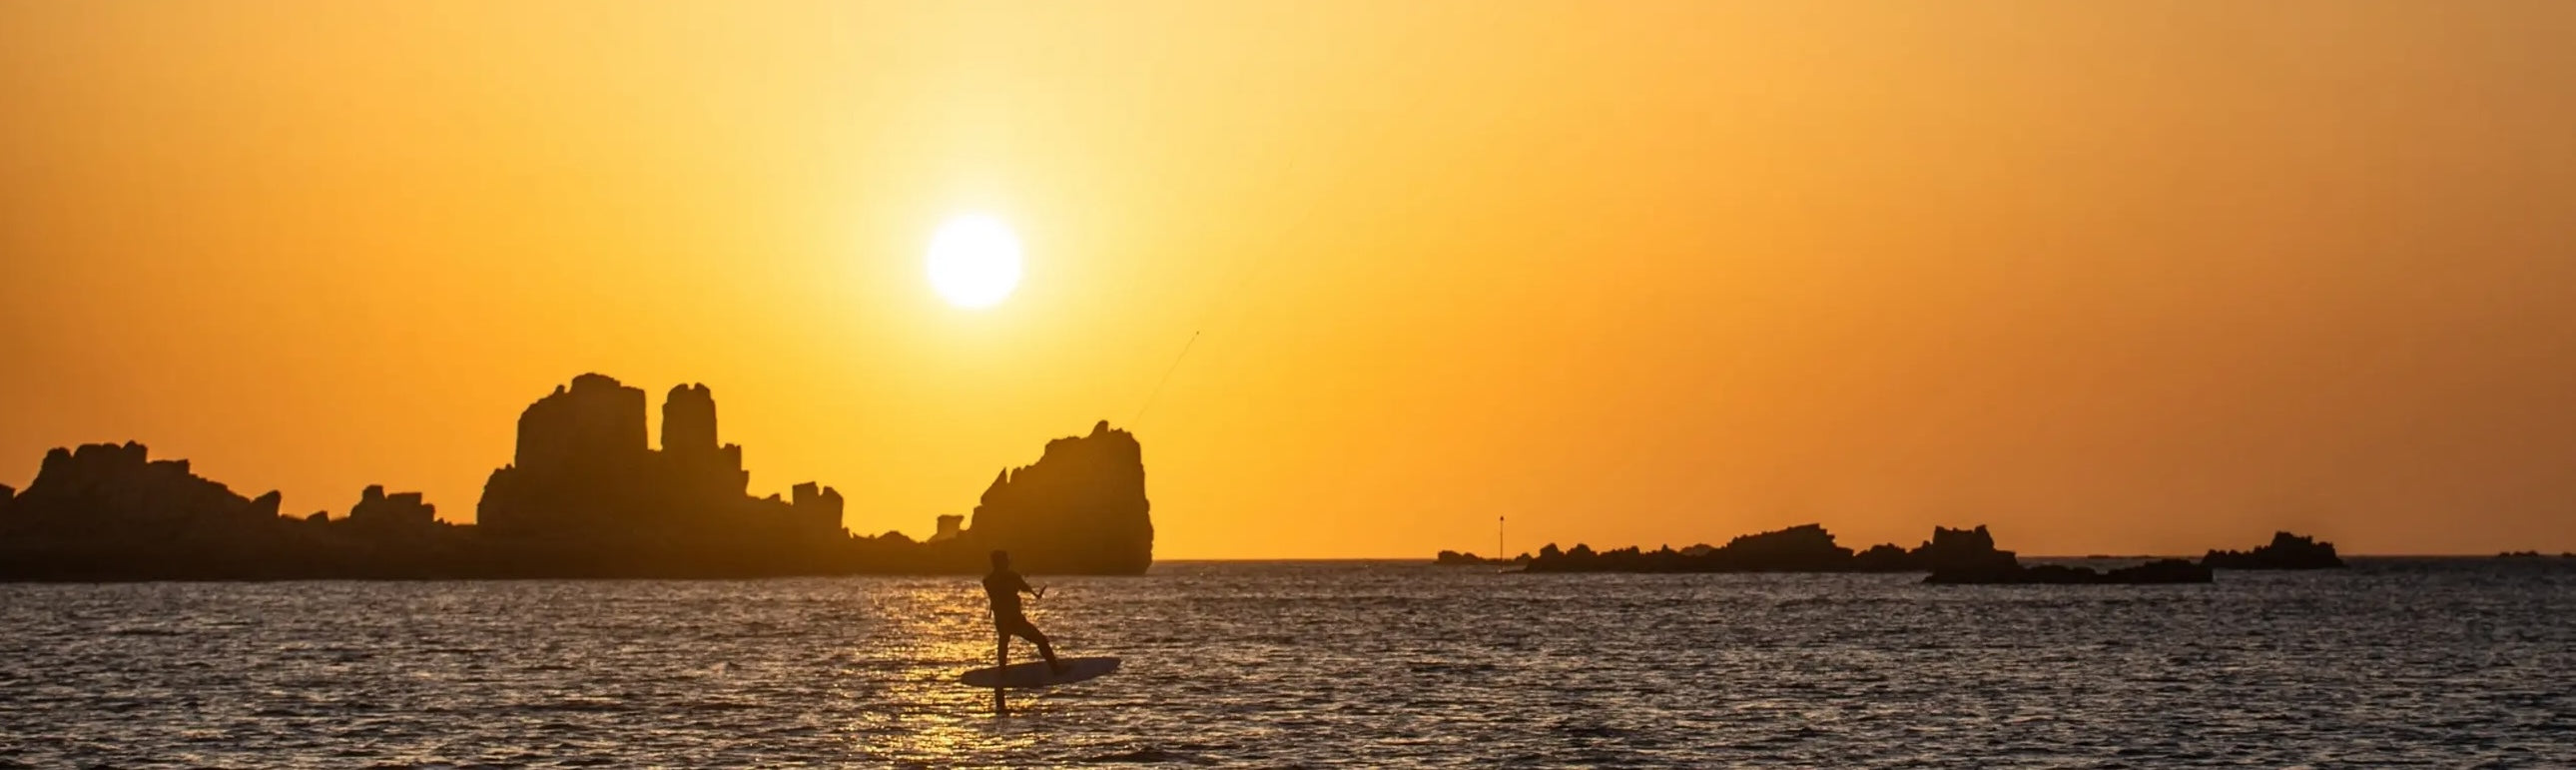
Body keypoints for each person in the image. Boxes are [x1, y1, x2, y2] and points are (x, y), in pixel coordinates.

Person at [983, 549, 1067, 675]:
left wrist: (1018, 581)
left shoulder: (988, 580)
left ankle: (1002, 672)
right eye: (1005, 560)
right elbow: (1021, 587)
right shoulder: (1011, 577)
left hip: (1001, 621)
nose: (1008, 563)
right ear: (1001, 562)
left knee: (1003, 643)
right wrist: (1020, 582)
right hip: (1015, 620)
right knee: (1041, 641)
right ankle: (1056, 670)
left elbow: (1009, 585)